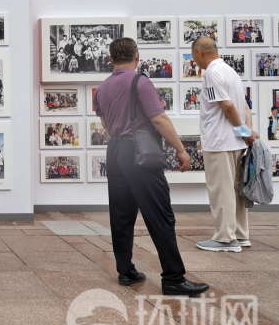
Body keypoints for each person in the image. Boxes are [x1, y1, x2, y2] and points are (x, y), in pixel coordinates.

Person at [94, 38, 208, 296]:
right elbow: (158, 118)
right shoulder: (139, 81)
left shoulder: (102, 88)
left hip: (115, 152)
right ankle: (173, 278)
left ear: (111, 59)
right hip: (140, 153)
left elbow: (106, 126)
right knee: (160, 214)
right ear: (137, 56)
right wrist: (181, 149)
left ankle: (126, 271)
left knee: (121, 214)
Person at [190, 37, 258, 253]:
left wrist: (244, 130)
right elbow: (244, 106)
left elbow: (227, 106)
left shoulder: (211, 72)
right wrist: (246, 130)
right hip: (235, 142)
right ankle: (240, 234)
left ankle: (225, 238)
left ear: (199, 52)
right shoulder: (230, 71)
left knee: (221, 190)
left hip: (219, 141)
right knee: (236, 189)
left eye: (194, 57)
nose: (195, 62)